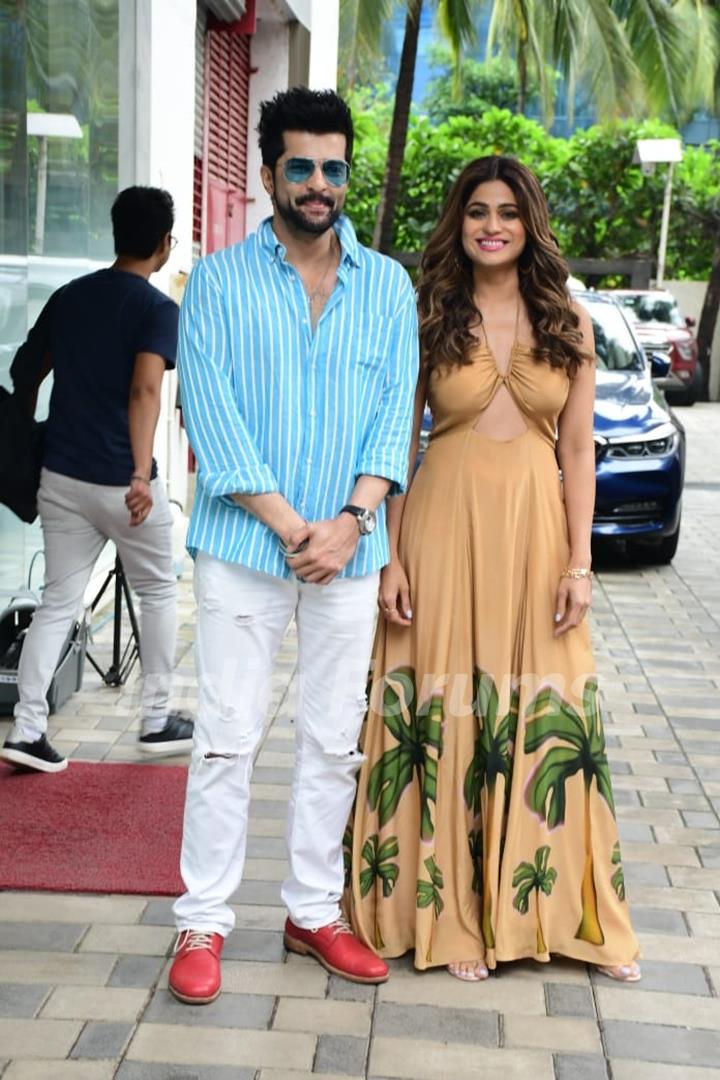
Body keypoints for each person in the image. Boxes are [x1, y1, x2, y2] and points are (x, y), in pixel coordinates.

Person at [347, 156, 641, 984]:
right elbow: (395, 444)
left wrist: (582, 563)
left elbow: (579, 448)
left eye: (508, 211)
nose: (491, 224)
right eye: (477, 210)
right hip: (441, 527)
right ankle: (449, 916)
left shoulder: (568, 321)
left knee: (546, 710)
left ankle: (560, 916)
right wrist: (391, 556)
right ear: (459, 221)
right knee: (447, 701)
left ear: (529, 222)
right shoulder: (428, 312)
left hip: (536, 535)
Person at [168, 87, 418, 1005]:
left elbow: (398, 413)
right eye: (302, 167)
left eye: (334, 167)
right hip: (244, 546)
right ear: (269, 172)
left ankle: (314, 910)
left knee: (332, 740)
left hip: (350, 550)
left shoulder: (387, 285)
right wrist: (288, 525)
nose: (320, 184)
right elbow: (214, 413)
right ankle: (202, 918)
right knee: (227, 737)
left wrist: (352, 521)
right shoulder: (220, 282)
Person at [0, 186, 193, 774]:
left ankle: (28, 729)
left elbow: (23, 369)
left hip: (60, 475)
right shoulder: (158, 311)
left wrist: (27, 439)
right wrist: (140, 472)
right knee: (158, 589)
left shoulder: (70, 297)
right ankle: (157, 719)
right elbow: (145, 389)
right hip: (122, 483)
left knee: (59, 600)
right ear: (164, 244)